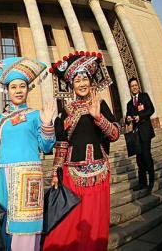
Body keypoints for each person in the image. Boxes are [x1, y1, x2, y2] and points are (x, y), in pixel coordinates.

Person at [43, 51, 120, 251]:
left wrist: (99, 118)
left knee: (94, 225)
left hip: (98, 174)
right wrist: (55, 172)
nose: (82, 83)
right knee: (68, 225)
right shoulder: (64, 111)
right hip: (71, 174)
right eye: (78, 80)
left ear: (91, 80)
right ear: (71, 85)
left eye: (85, 78)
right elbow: (61, 144)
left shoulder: (100, 104)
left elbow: (114, 134)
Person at [0, 57, 56, 251]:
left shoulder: (35, 115)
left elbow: (47, 147)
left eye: (22, 86)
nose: (18, 90)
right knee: (5, 221)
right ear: (7, 91)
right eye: (13, 87)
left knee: (27, 224)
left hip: (29, 175)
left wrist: (48, 124)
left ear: (28, 89)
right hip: (3, 175)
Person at [125, 77, 156, 191]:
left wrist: (140, 116)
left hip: (146, 132)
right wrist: (128, 119)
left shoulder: (144, 96)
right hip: (136, 135)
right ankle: (142, 182)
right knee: (139, 159)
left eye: (135, 85)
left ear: (138, 86)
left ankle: (151, 181)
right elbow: (127, 118)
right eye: (132, 86)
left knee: (147, 156)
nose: (134, 87)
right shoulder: (129, 103)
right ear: (130, 88)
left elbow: (151, 109)